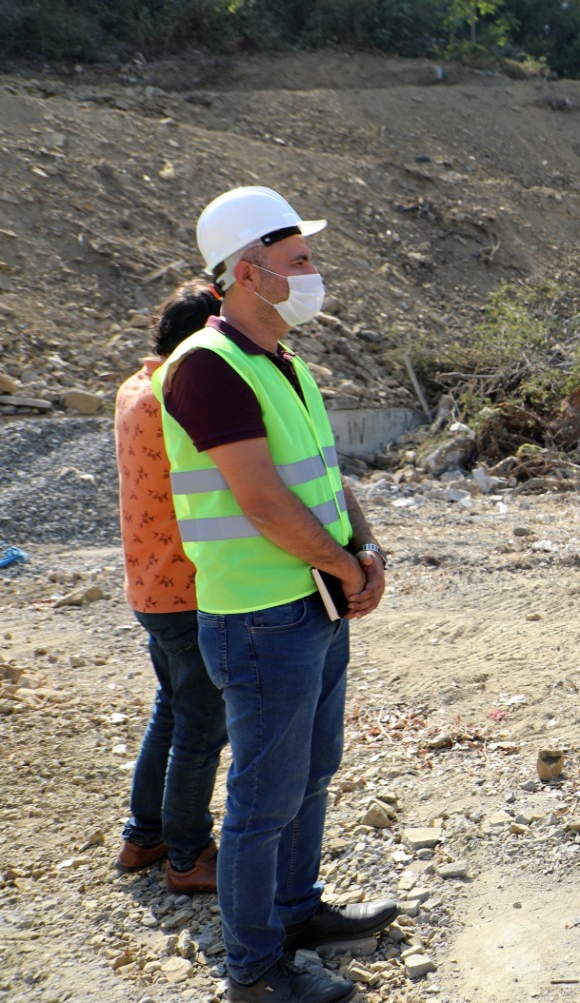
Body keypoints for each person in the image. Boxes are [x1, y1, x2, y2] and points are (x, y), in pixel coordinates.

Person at [156, 186, 397, 1003]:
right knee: (262, 802)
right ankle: (256, 970)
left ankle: (296, 914)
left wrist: (363, 552)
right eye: (300, 262)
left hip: (313, 604)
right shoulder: (206, 369)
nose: (314, 274)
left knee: (311, 775)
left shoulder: (282, 362)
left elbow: (324, 477)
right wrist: (343, 564)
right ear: (249, 274)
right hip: (262, 619)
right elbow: (261, 501)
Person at [114, 279, 229, 894]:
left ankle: (145, 835)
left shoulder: (136, 385)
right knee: (201, 726)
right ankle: (187, 857)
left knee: (174, 710)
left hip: (150, 582)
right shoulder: (179, 392)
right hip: (186, 587)